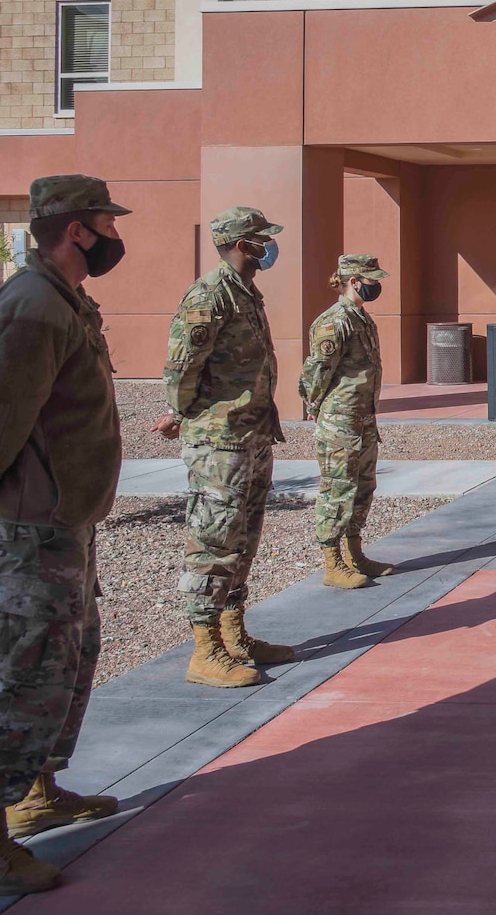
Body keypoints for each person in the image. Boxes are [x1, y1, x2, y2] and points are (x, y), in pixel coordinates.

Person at [0, 176, 131, 894]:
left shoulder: (60, 300)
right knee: (28, 666)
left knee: (69, 652)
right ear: (76, 230)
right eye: (105, 222)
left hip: (63, 518)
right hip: (33, 522)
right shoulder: (33, 308)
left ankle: (34, 788)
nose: (115, 235)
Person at [152, 207, 294, 688]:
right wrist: (183, 413)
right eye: (261, 241)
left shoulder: (246, 293)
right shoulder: (209, 294)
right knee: (213, 540)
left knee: (243, 536)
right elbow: (182, 365)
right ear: (241, 244)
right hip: (220, 439)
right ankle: (204, 647)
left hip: (251, 431)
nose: (268, 248)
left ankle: (234, 633)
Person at [299, 254, 394, 588]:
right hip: (340, 419)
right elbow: (316, 372)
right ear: (354, 281)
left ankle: (356, 554)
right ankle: (332, 563)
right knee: (337, 489)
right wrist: (313, 405)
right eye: (370, 281)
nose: (376, 286)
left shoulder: (361, 319)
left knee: (363, 485)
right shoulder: (334, 321)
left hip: (363, 417)